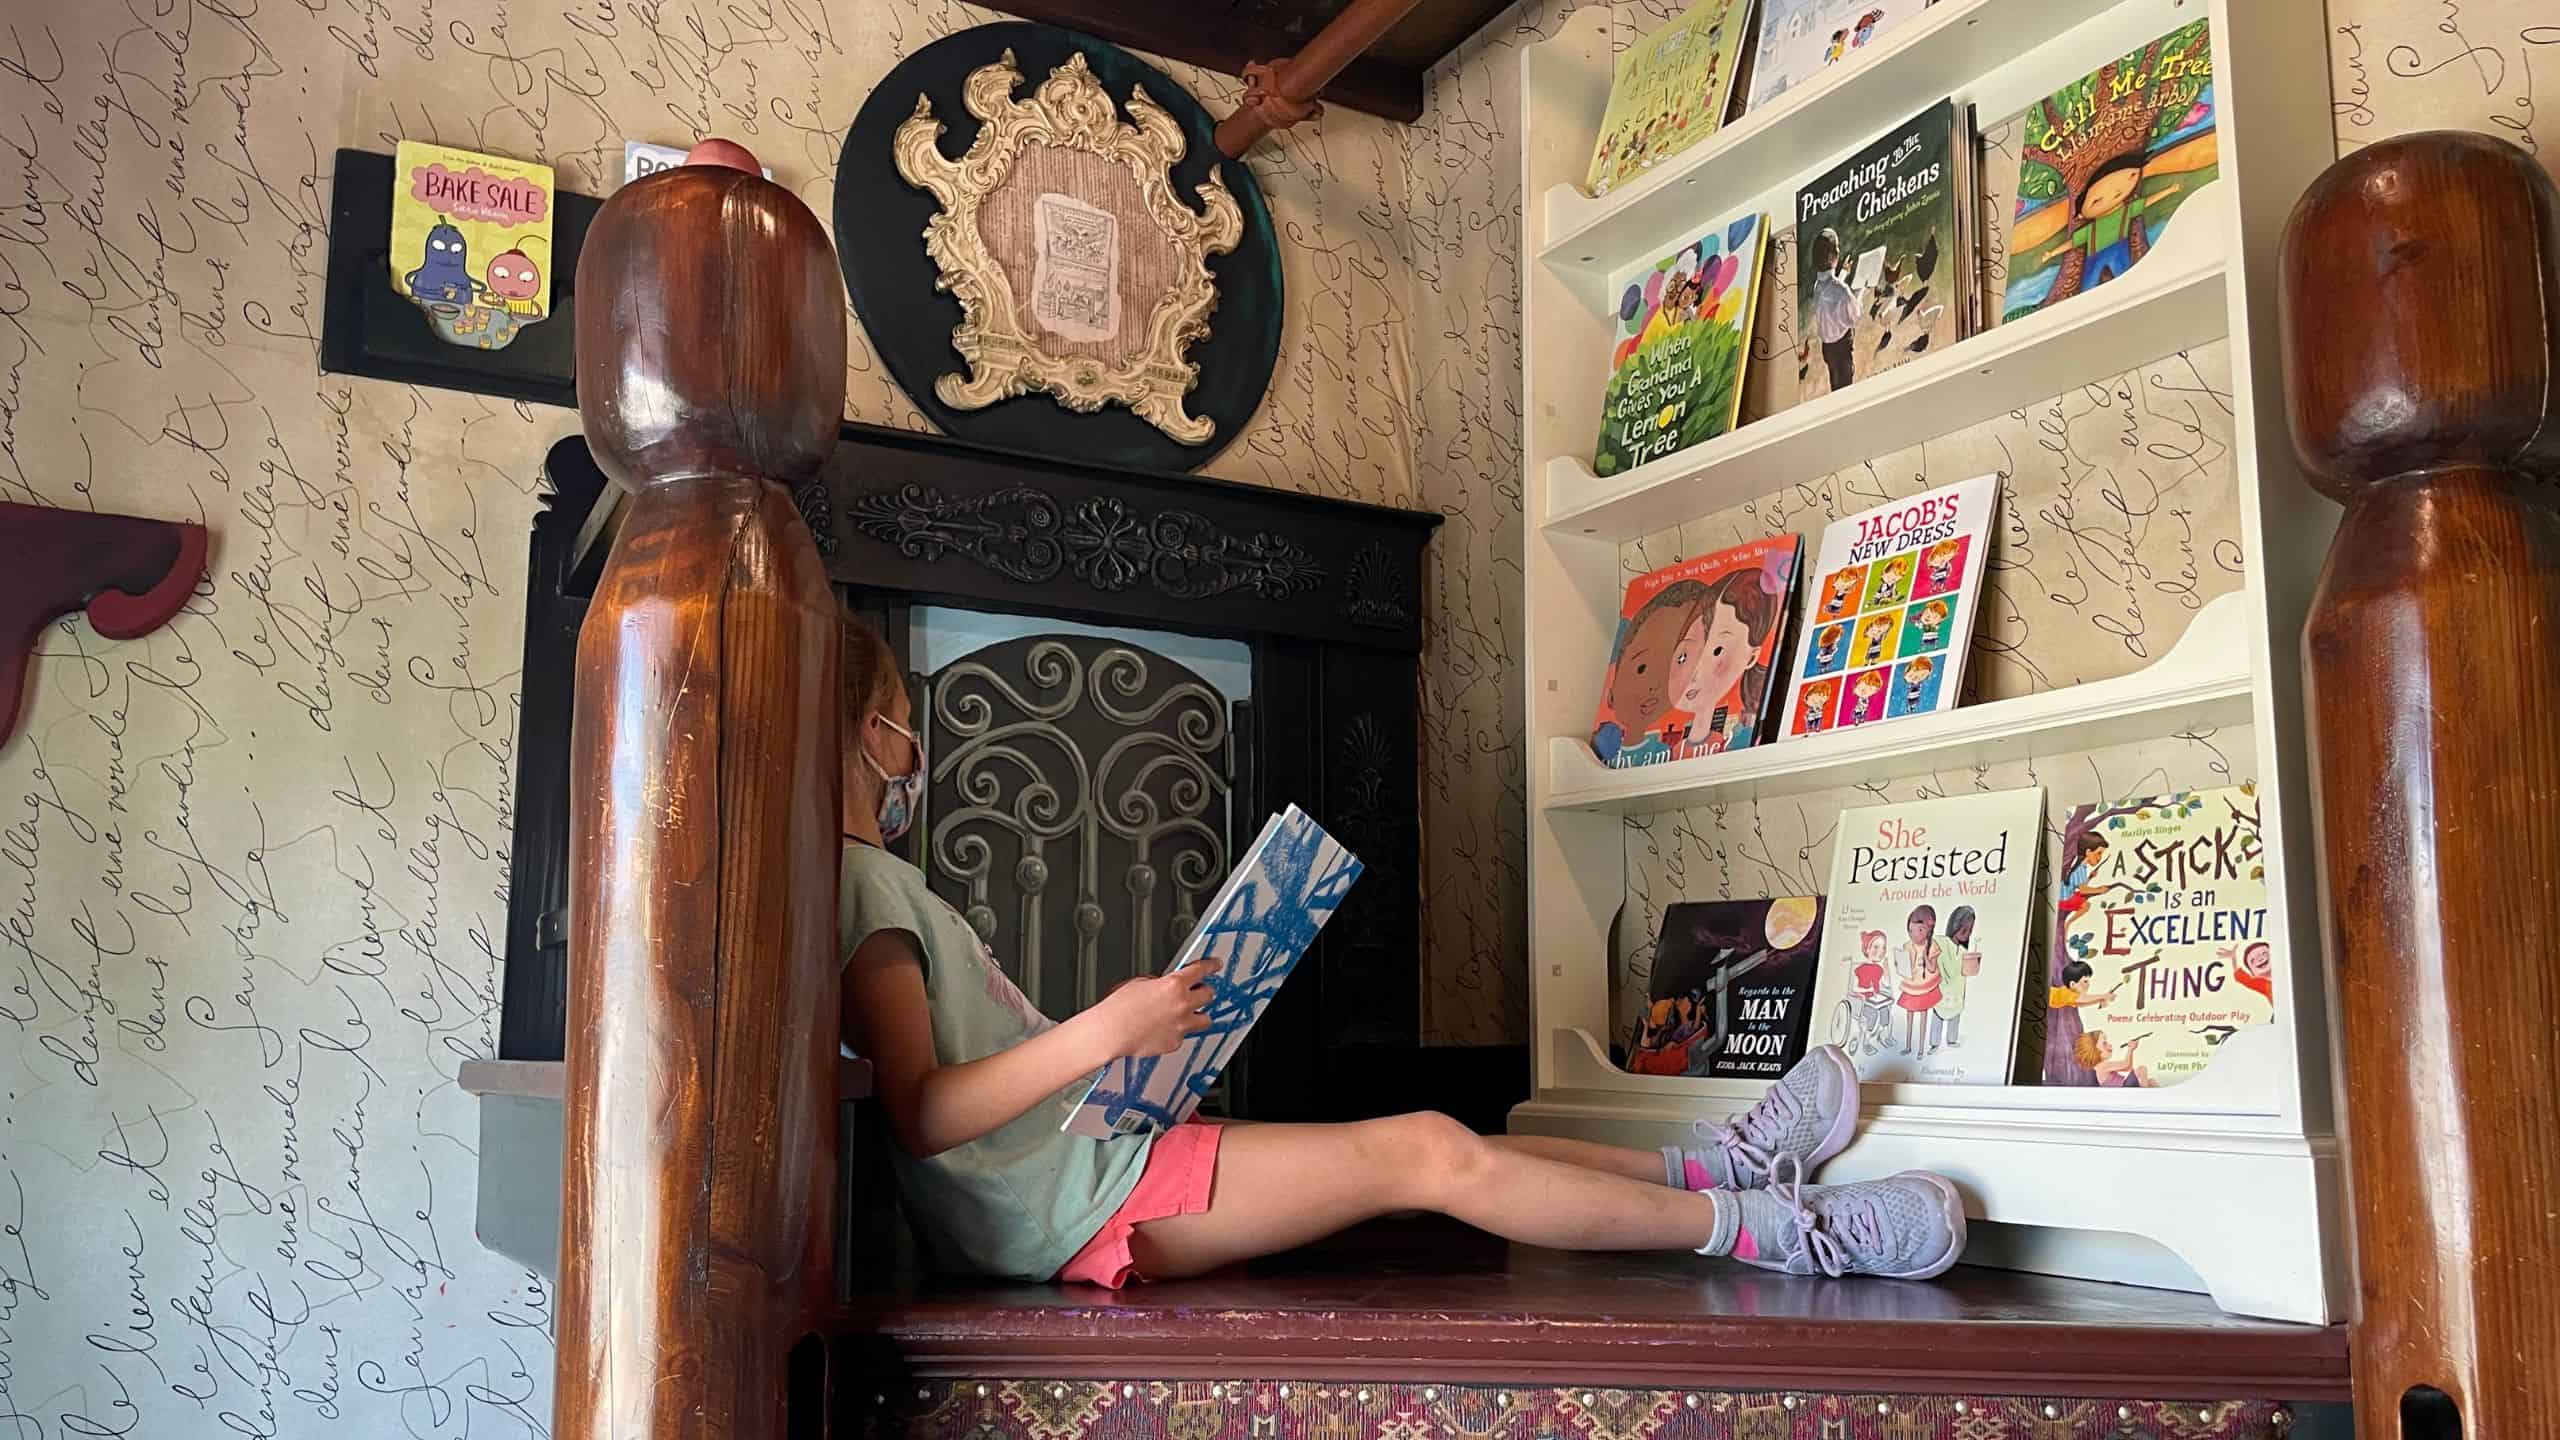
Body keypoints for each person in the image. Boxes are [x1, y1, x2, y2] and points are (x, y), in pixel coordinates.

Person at [831, 613, 1965, 1289]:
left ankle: (1717, 1167)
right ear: (860, 734)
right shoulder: (864, 884)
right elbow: (923, 1114)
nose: (914, 745)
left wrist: (1138, 1056)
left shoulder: (874, 881)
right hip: (1074, 1212)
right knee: (1427, 1153)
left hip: (1091, 1170)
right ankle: (1783, 1235)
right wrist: (1107, 1032)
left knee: (1444, 1141)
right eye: (898, 719)